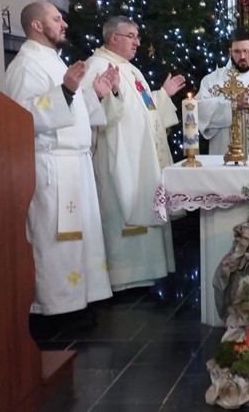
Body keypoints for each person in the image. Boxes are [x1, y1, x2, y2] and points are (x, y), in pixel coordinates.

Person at [4, 1, 114, 315]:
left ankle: (78, 301)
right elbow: (22, 114)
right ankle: (54, 309)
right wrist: (65, 92)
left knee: (81, 237)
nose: (64, 23)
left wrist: (95, 94)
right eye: (56, 18)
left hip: (74, 163)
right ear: (37, 26)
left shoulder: (52, 60)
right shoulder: (26, 64)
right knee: (55, 241)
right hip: (52, 165)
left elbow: (72, 107)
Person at [83, 16, 185, 291]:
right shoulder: (96, 66)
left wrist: (163, 95)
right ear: (113, 38)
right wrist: (111, 92)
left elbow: (144, 109)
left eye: (137, 36)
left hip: (140, 157)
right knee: (121, 208)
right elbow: (94, 112)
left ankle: (147, 271)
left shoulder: (129, 69)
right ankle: (123, 276)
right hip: (120, 157)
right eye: (131, 36)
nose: (137, 42)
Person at [195, 31, 249, 155]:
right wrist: (230, 105)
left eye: (246, 51)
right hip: (223, 153)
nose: (242, 56)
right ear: (230, 52)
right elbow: (198, 110)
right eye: (237, 52)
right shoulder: (212, 80)